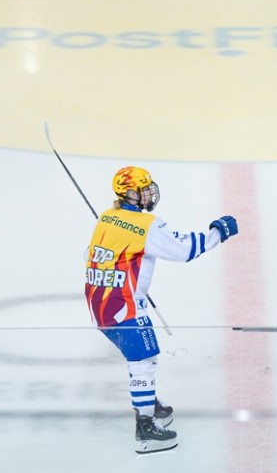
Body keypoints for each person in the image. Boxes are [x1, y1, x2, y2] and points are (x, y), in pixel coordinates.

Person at [84, 166, 238, 454]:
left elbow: (90, 254)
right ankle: (145, 427)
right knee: (143, 359)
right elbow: (184, 250)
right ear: (130, 193)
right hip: (123, 305)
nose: (149, 193)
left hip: (99, 303)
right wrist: (219, 232)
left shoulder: (107, 217)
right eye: (143, 189)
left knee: (138, 354)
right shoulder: (146, 225)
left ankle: (147, 399)